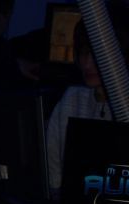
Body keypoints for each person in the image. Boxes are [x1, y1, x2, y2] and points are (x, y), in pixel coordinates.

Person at [46, 6, 129, 192]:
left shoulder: (124, 105)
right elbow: (54, 177)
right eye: (83, 53)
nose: (87, 63)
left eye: (97, 54)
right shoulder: (72, 99)